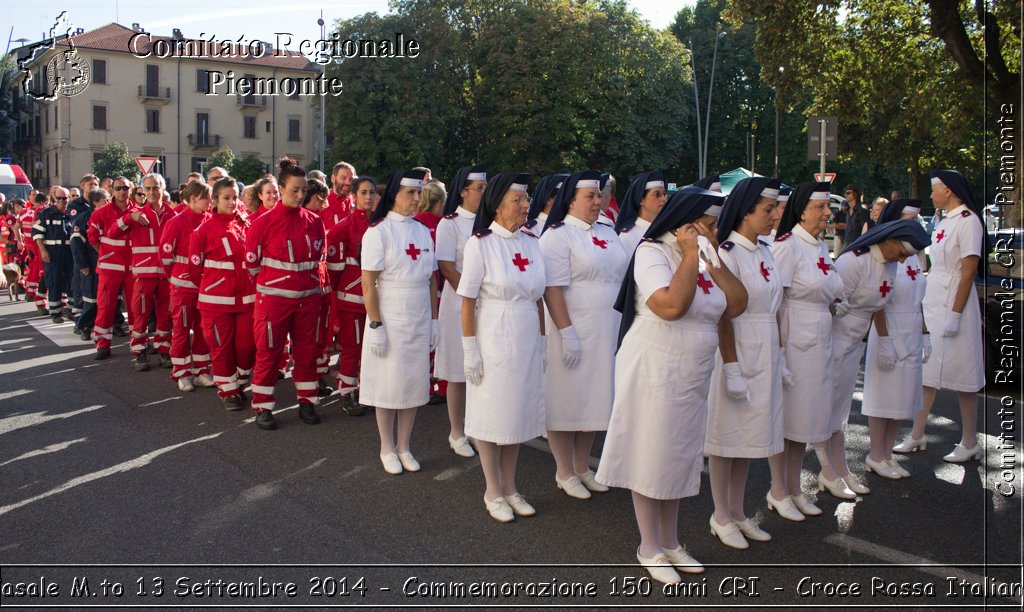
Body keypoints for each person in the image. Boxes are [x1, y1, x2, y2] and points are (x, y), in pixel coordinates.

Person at [596, 186, 746, 584]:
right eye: (710, 224)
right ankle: (650, 546)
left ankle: (672, 540)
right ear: (687, 223)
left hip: (693, 371)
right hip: (655, 366)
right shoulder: (652, 252)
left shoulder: (708, 252)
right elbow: (671, 306)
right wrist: (692, 255)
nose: (716, 230)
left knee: (680, 454)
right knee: (652, 452)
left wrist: (713, 258)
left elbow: (736, 304)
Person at [459, 172, 546, 521]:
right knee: (493, 416)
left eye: (526, 199)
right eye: (518, 200)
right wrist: (469, 349)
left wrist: (542, 341)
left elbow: (539, 297)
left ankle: (511, 486)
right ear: (497, 205)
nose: (526, 205)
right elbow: (467, 301)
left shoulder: (531, 241)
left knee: (516, 416)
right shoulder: (480, 244)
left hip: (525, 333)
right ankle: (492, 490)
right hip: (493, 334)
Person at [705, 177, 787, 550]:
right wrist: (733, 366)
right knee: (727, 437)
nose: (774, 216)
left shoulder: (764, 251)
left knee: (751, 436)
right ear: (747, 210)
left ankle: (738, 512)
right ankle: (721, 514)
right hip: (735, 350)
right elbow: (723, 315)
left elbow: (776, 307)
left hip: (765, 348)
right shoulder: (727, 253)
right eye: (768, 210)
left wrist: (781, 355)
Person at [540, 169, 629, 499]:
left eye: (598, 195)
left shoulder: (607, 228)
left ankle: (582, 466)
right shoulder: (558, 235)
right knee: (567, 397)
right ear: (572, 200)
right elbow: (552, 288)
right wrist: (567, 332)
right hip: (574, 325)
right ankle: (564, 470)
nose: (597, 201)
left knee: (596, 395)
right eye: (590, 197)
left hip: (606, 326)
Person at [895, 170, 987, 462]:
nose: (931, 195)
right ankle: (917, 433)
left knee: (964, 376)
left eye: (935, 190)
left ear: (948, 191)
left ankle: (970, 440)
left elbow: (969, 270)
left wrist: (956, 314)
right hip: (935, 299)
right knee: (927, 371)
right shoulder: (944, 221)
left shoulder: (968, 221)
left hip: (955, 302)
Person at [832, 218, 930, 478]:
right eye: (901, 252)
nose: (901, 260)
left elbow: (877, 303)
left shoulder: (888, 264)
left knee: (840, 411)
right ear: (889, 241)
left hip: (855, 343)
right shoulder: (854, 260)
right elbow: (833, 301)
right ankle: (832, 471)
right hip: (836, 339)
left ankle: (838, 470)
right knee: (826, 410)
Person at [770, 182, 847, 513]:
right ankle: (777, 489)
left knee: (807, 417)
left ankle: (794, 486)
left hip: (819, 340)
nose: (828, 213)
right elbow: (776, 301)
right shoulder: (788, 246)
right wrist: (779, 350)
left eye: (828, 206)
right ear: (801, 210)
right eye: (820, 207)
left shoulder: (817, 246)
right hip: (795, 340)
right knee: (785, 419)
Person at [359, 169, 437, 473]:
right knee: (389, 383)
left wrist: (435, 320)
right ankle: (386, 447)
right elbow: (368, 284)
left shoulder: (421, 231)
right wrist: (376, 325)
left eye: (419, 193)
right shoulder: (378, 232)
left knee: (413, 383)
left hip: (418, 311)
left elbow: (431, 279)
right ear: (394, 195)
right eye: (410, 193)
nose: (417, 199)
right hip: (390, 312)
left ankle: (404, 445)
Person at [244, 157, 326, 430]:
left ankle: (307, 401)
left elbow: (318, 258)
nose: (301, 195)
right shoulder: (262, 223)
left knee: (307, 352)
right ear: (280, 189)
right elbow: (252, 266)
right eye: (295, 190)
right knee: (268, 352)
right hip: (274, 300)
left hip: (309, 299)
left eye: (304, 190)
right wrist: (277, 285)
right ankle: (263, 406)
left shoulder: (315, 222)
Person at [861, 199, 929, 478]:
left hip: (911, 327)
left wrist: (925, 332)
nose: (914, 224)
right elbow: (878, 300)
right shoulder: (885, 254)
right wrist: (885, 339)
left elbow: (920, 298)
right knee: (884, 396)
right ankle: (875, 453)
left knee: (904, 397)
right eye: (908, 218)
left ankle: (888, 454)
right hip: (888, 328)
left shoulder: (915, 254)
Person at [189, 177, 256, 410]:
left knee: (247, 347)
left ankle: (237, 381)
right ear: (215, 201)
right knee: (221, 348)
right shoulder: (203, 231)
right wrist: (216, 285)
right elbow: (194, 269)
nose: (232, 202)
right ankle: (228, 392)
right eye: (226, 198)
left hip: (246, 301)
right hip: (216, 303)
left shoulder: (245, 225)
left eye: (235, 197)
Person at [434, 166, 487, 457]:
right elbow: (446, 267)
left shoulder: (489, 222)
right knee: (459, 370)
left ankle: (477, 428)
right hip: (459, 304)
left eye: (485, 187)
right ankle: (457, 431)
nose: (484, 192)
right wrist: (472, 295)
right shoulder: (450, 224)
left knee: (483, 371)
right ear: (463, 192)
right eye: (479, 188)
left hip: (488, 306)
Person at [108, 173, 176, 372]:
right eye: (147, 189)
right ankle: (139, 353)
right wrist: (130, 217)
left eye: (155, 188)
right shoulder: (136, 214)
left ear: (162, 189)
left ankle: (164, 349)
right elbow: (112, 232)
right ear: (142, 191)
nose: (152, 192)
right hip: (144, 274)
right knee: (140, 315)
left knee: (165, 315)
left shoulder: (173, 215)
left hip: (166, 275)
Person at [325, 176, 378, 416]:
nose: (368, 197)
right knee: (352, 348)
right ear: (354, 196)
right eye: (363, 193)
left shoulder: (381, 225)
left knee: (372, 349)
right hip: (351, 302)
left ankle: (368, 390)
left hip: (376, 301)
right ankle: (347, 392)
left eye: (371, 192)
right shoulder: (342, 228)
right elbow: (333, 276)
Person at [160, 180, 215, 391]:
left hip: (205, 287)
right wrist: (176, 277)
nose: (210, 201)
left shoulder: (210, 220)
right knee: (181, 329)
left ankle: (202, 370)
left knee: (203, 330)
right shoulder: (176, 223)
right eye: (206, 197)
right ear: (193, 199)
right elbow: (165, 257)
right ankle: (181, 373)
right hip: (182, 287)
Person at [89, 177, 135, 359]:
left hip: (133, 268)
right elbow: (93, 238)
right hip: (110, 269)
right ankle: (103, 344)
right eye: (118, 188)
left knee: (135, 308)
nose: (122, 191)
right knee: (105, 307)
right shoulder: (101, 213)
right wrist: (106, 254)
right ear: (112, 190)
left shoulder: (139, 212)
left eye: (125, 188)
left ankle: (137, 345)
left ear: (130, 189)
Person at [300, 177, 337, 396]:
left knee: (321, 334)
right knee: (310, 337)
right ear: (315, 197)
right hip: (310, 286)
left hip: (321, 284)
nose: (326, 204)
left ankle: (317, 376)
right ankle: (309, 378)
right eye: (323, 199)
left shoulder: (316, 219)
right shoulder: (308, 220)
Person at [70, 187, 108, 341]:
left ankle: (115, 324)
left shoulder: (109, 217)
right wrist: (82, 264)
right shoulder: (83, 219)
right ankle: (84, 326)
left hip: (107, 260)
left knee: (109, 298)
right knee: (91, 297)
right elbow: (76, 244)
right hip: (90, 262)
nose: (108, 202)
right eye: (105, 199)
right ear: (95, 202)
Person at [32, 186, 74, 323]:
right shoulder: (46, 213)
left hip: (69, 252)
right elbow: (37, 233)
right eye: (59, 198)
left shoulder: (72, 213)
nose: (62, 201)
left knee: (72, 280)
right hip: (53, 252)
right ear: (55, 199)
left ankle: (72, 309)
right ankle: (56, 312)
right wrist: (43, 250)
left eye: (65, 198)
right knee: (54, 281)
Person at [68, 174, 100, 323]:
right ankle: (81, 318)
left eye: (95, 184)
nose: (93, 186)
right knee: (82, 284)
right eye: (90, 184)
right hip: (83, 249)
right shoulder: (76, 205)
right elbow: (77, 232)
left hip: (98, 253)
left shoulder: (100, 205)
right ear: (82, 186)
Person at [615, 171, 668, 256]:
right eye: (657, 194)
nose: (664, 199)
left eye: (664, 194)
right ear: (641, 200)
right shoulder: (628, 237)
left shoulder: (667, 229)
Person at [325, 161, 356, 230]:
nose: (348, 182)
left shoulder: (356, 202)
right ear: (333, 178)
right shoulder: (321, 202)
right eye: (343, 178)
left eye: (351, 179)